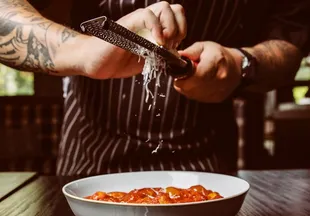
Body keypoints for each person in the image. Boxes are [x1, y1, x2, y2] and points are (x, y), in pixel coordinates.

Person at [0, 0, 309, 176]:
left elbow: (289, 45)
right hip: (88, 165)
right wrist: (82, 53)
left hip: (206, 172)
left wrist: (241, 62)